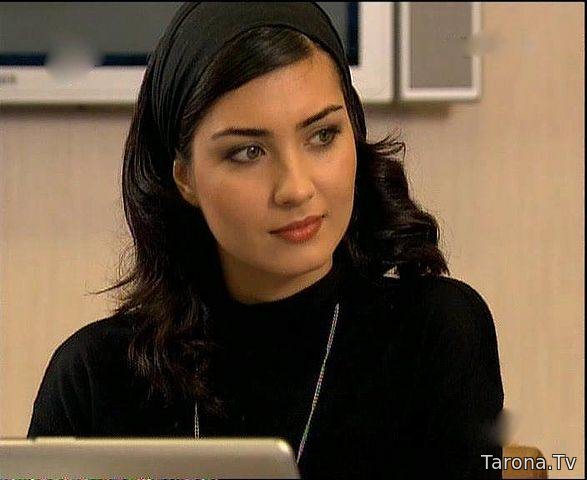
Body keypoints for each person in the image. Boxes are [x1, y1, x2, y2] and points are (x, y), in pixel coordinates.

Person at [27, 3, 505, 479]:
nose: (295, 188)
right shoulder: (94, 376)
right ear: (185, 176)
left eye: (323, 135)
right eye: (248, 152)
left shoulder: (435, 332)